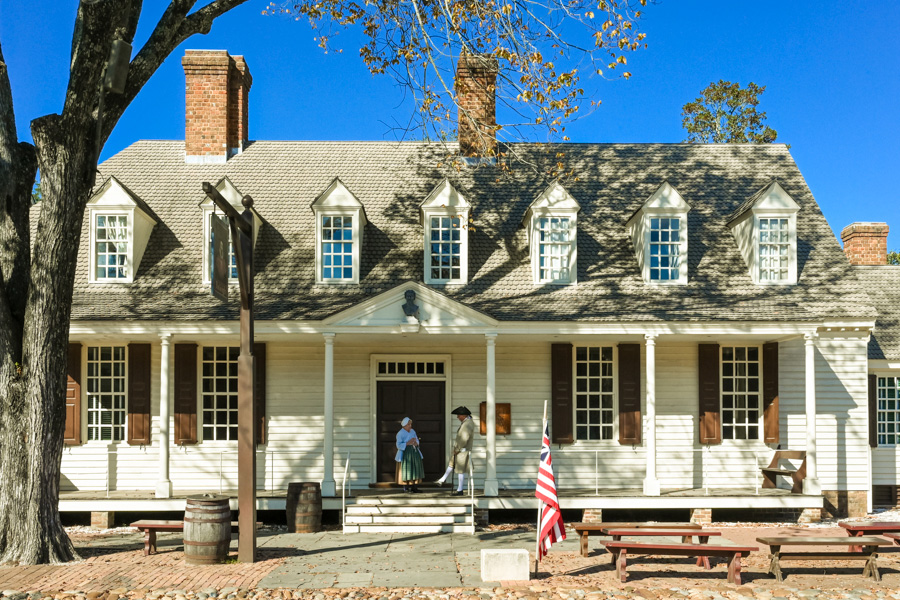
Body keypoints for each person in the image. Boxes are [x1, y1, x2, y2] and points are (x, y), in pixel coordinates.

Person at [435, 406, 475, 496]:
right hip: (459, 450)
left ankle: (460, 490)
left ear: (464, 415)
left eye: (459, 415)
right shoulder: (466, 422)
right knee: (451, 464)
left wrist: (457, 449)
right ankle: (442, 479)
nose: (457, 417)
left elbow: (464, 438)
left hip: (462, 450)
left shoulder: (468, 424)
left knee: (460, 470)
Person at [395, 417, 424, 493]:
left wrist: (416, 442)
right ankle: (406, 488)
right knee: (406, 469)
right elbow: (398, 445)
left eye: (410, 424)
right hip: (405, 454)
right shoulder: (400, 433)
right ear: (404, 425)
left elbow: (416, 439)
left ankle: (414, 487)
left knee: (415, 468)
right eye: (408, 424)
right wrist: (408, 443)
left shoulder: (412, 431)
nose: (410, 426)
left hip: (414, 452)